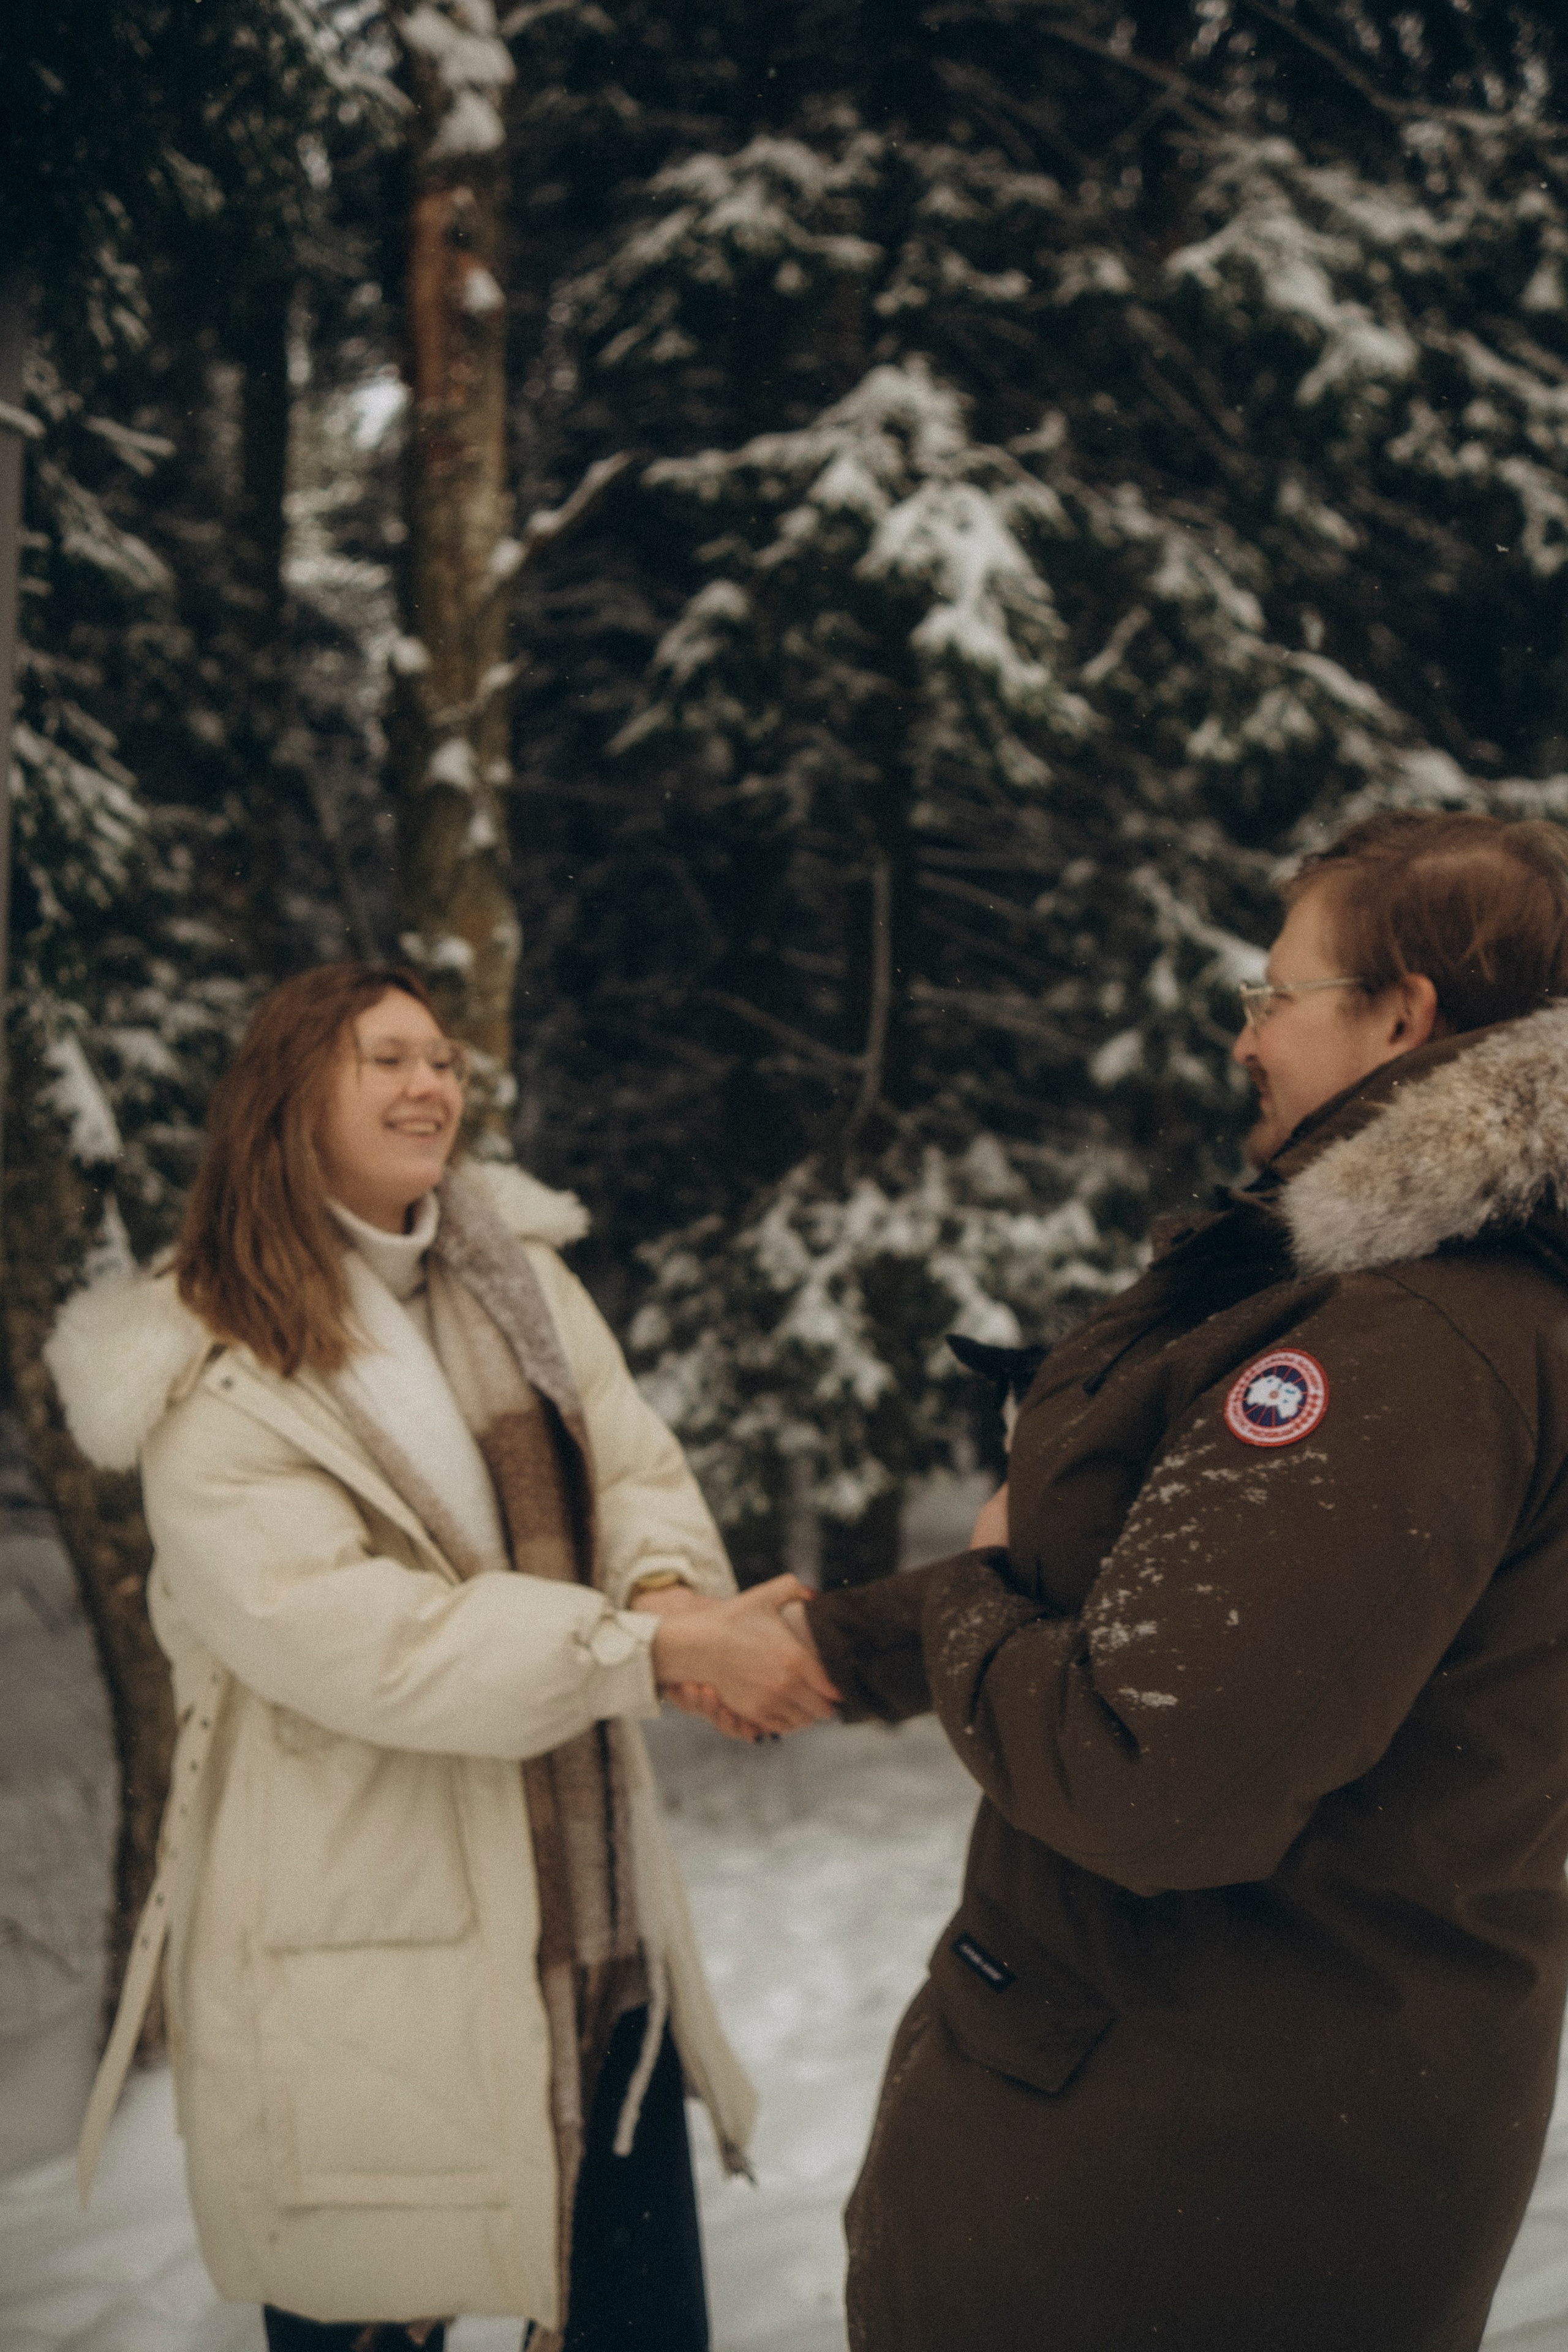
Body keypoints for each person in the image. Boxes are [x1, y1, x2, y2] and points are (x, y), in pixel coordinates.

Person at [790, 810, 1568, 2352]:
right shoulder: (1380, 1291)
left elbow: (1155, 1774)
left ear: (1399, 1016)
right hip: (1237, 2136)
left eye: (1274, 994)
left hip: (1181, 2195)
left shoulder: (1411, 1341)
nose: (1243, 1036)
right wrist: (827, 1644)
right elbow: (1122, 1585)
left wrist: (957, 1597)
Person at [45, 963, 837, 2352]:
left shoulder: (517, 1278)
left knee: (631, 2312)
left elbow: (631, 1460)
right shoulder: (207, 1362)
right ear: (292, 1097)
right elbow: (357, 1640)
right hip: (357, 1933)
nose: (433, 1088)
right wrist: (645, 1648)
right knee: (366, 2307)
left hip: (586, 1923)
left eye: (446, 1063)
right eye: (388, 1060)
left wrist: (660, 1584)